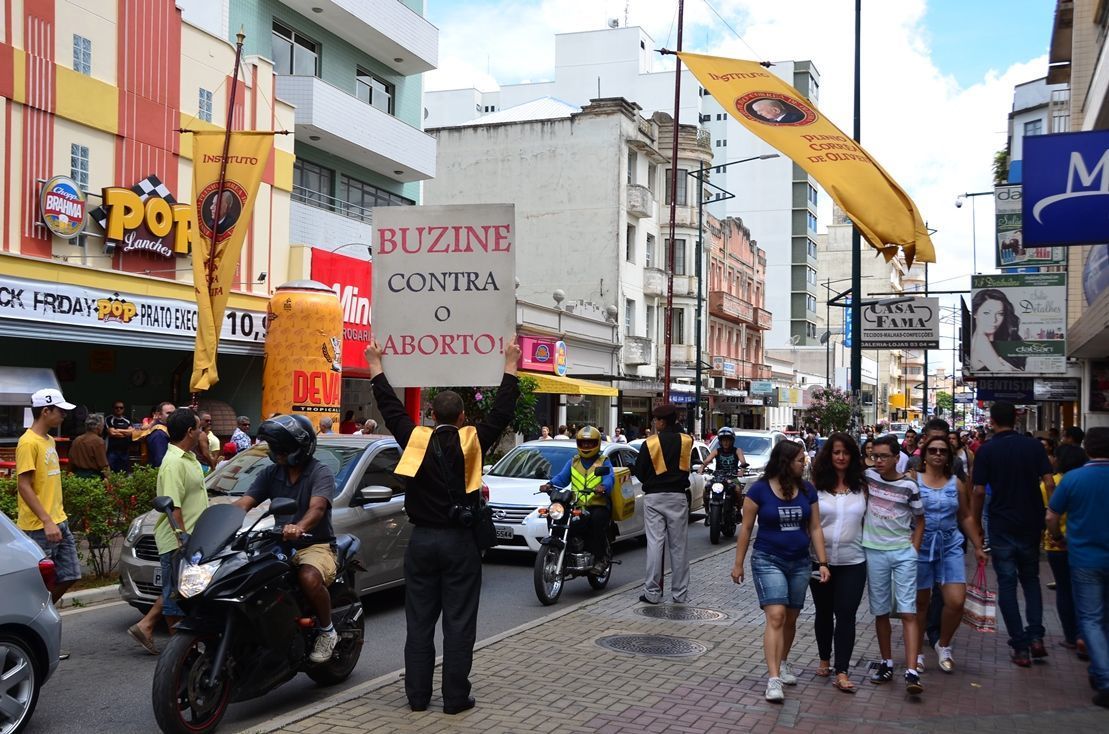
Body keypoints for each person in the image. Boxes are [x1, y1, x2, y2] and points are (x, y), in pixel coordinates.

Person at [365, 337, 521, 715]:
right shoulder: (474, 441)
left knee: (418, 623)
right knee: (458, 623)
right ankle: (454, 699)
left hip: (421, 543)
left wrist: (375, 365)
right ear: (463, 416)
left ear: (432, 415)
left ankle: (417, 698)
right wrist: (511, 364)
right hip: (460, 543)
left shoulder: (414, 439)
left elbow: (390, 408)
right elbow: (501, 411)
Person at [234, 414, 340, 664]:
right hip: (278, 543)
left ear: (300, 448)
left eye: (282, 449)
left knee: (308, 578)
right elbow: (244, 503)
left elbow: (317, 509)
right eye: (274, 448)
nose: (277, 453)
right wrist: (220, 521)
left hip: (314, 543)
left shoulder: (320, 473)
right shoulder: (271, 473)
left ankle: (327, 630)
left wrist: (299, 527)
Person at [731, 440, 829, 702]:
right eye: (799, 459)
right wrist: (738, 563)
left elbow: (816, 528)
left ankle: (783, 662)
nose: (804, 463)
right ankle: (773, 679)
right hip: (767, 559)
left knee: (791, 618)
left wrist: (822, 562)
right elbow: (747, 528)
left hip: (800, 562)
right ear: (786, 462)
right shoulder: (759, 490)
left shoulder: (807, 490)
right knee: (776, 615)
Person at [971, 400, 1054, 667]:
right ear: (1016, 419)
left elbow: (979, 491)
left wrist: (976, 524)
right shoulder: (1033, 446)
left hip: (1002, 523)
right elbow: (1049, 481)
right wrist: (1050, 511)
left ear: (992, 421)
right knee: (1030, 580)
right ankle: (1036, 637)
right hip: (1031, 521)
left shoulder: (987, 450)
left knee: (1006, 583)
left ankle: (1020, 646)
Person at [128, 408, 208, 655]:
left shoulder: (188, 458)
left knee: (177, 590)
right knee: (176, 596)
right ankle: (181, 655)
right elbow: (174, 508)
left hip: (192, 538)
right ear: (189, 432)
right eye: (199, 428)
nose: (202, 432)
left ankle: (147, 625)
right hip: (177, 540)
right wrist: (183, 542)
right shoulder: (173, 463)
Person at [913, 435, 987, 674]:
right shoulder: (913, 480)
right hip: (920, 546)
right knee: (920, 603)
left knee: (956, 600)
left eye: (942, 451)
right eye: (932, 450)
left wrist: (977, 545)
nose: (937, 454)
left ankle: (943, 645)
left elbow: (965, 515)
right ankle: (916, 652)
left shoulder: (956, 483)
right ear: (924, 454)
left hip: (950, 546)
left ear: (948, 457)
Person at [1047, 426, 1109, 708]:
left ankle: (1104, 677)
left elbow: (1051, 516)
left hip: (1084, 557)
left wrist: (1059, 538)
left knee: (1092, 619)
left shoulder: (1074, 479)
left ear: (1087, 449)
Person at [864, 434, 926, 695]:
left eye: (883, 457)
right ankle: (887, 663)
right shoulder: (867, 477)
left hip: (902, 553)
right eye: (874, 456)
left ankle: (912, 671)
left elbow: (920, 519)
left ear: (896, 457)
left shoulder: (910, 486)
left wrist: (914, 548)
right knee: (880, 611)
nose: (878, 461)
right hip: (874, 552)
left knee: (908, 611)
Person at [808, 433, 867, 693]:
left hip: (854, 561)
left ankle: (842, 670)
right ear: (828, 455)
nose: (841, 457)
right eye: (836, 452)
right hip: (819, 561)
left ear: (853, 456)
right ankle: (824, 658)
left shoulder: (863, 486)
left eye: (845, 452)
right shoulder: (816, 486)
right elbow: (810, 523)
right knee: (823, 613)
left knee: (846, 615)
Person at [16, 388, 81, 604]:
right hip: (39, 526)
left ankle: (42, 612)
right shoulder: (28, 442)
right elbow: (24, 485)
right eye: (60, 411)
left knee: (71, 574)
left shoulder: (49, 440)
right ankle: (35, 616)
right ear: (46, 411)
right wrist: (46, 520)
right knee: (39, 584)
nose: (63, 415)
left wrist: (55, 519)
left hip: (58, 520)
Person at [632, 404, 693, 605]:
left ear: (661, 421)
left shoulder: (650, 443)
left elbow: (639, 472)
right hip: (677, 496)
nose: (654, 424)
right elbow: (687, 470)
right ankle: (680, 594)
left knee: (655, 544)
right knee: (679, 547)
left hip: (654, 497)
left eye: (656, 421)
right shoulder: (686, 441)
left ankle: (652, 592)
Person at [1042, 444, 1089, 661]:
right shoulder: (1090, 480)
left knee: (1064, 589)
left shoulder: (1052, 484)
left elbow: (1049, 514)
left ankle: (1071, 635)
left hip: (1057, 546)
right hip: (1085, 544)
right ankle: (1085, 634)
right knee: (1086, 592)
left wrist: (1057, 537)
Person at [546, 426, 614, 575]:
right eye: (583, 443)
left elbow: (610, 478)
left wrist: (603, 487)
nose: (587, 446)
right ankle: (566, 551)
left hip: (598, 504)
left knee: (596, 522)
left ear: (597, 443)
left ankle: (600, 559)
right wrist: (549, 484)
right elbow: (562, 478)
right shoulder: (573, 462)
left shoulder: (604, 461)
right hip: (577, 505)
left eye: (590, 443)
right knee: (556, 518)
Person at [969, 289, 1025, 372]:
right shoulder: (981, 340)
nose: (993, 320)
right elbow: (1003, 373)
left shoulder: (982, 340)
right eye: (987, 313)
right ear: (975, 313)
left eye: (1000, 314)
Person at [699, 427, 746, 524]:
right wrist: (702, 467)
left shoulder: (737, 451)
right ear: (720, 441)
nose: (726, 443)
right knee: (706, 489)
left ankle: (738, 511)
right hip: (718, 477)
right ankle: (708, 512)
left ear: (732, 441)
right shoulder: (716, 451)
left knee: (737, 490)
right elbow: (707, 460)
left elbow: (743, 462)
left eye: (728, 440)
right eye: (723, 440)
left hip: (732, 477)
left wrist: (742, 470)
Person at [70, 414, 109, 479]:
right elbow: (103, 465)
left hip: (77, 477)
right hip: (93, 478)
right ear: (98, 426)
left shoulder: (77, 440)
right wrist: (109, 479)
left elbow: (71, 461)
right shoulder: (99, 441)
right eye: (102, 426)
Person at [105, 400, 134, 472]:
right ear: (113, 409)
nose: (119, 409)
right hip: (112, 451)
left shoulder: (127, 420)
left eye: (121, 408)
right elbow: (112, 433)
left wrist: (118, 430)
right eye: (116, 407)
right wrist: (125, 432)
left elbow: (131, 432)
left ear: (123, 409)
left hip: (125, 451)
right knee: (111, 473)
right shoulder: (109, 419)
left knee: (124, 473)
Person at [145, 401, 174, 468]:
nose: (172, 416)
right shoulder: (159, 434)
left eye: (174, 413)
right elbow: (160, 461)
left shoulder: (167, 429)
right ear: (159, 415)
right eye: (168, 413)